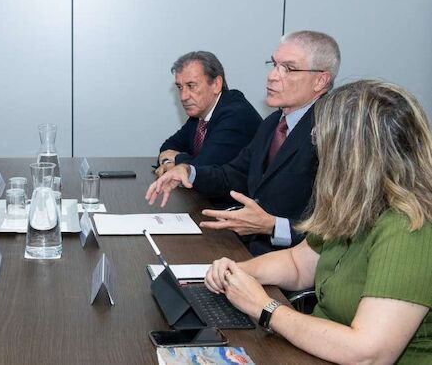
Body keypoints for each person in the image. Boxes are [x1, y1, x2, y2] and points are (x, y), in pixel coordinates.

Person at [204, 80, 432, 364]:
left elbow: (369, 354)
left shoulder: (409, 227)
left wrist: (265, 308)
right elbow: (298, 264)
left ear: (354, 154)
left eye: (320, 139)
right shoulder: (353, 204)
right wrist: (237, 271)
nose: (317, 150)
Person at [147, 31, 340, 255]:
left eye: (288, 68)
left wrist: (273, 226)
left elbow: (339, 229)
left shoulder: (334, 133)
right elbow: (233, 174)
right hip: (249, 248)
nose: (272, 76)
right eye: (274, 65)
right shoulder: (272, 124)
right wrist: (189, 172)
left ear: (320, 80)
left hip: (294, 263)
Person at [156, 51, 262, 178]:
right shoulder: (200, 113)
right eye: (180, 87)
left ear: (216, 85)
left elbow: (201, 170)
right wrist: (168, 162)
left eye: (191, 86)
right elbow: (169, 146)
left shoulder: (234, 115)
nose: (183, 97)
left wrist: (178, 159)